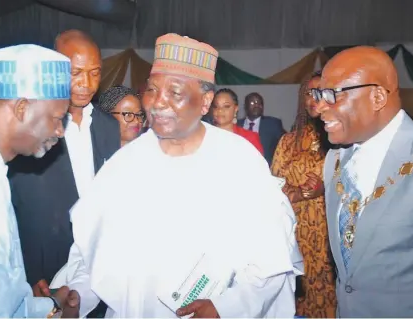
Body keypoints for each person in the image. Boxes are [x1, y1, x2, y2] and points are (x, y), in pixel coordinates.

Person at [63, 33, 302, 318]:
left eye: (174, 93)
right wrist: (76, 293)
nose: (157, 103)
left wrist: (226, 308)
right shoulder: (125, 165)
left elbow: (270, 260)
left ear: (205, 101)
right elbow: (93, 249)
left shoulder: (240, 162)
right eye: (152, 90)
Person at [0, 44, 80, 317]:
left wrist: (50, 305)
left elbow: (0, 293)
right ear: (22, 107)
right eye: (58, 119)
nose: (60, 132)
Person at [8, 29, 120, 300]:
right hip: (45, 266)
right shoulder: (30, 126)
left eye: (95, 72)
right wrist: (30, 273)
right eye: (76, 72)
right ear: (54, 71)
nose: (87, 82)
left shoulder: (109, 127)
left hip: (96, 262)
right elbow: (19, 206)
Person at [315, 46, 413, 317]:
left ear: (377, 97)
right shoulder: (334, 160)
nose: (318, 107)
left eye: (332, 95)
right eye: (319, 95)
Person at [272, 71, 337, 318]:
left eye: (320, 92)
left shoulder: (341, 140)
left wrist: (324, 188)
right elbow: (274, 187)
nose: (313, 99)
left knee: (331, 296)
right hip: (296, 234)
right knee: (299, 298)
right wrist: (298, 193)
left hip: (328, 235)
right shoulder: (288, 142)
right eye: (309, 92)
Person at [211, 88, 264, 155]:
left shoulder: (250, 138)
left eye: (226, 106)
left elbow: (258, 164)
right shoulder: (203, 136)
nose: (220, 110)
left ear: (236, 109)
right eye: (216, 106)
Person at [237, 92, 285, 164]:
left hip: (265, 169)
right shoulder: (236, 125)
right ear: (245, 106)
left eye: (260, 103)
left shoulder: (273, 124)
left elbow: (285, 145)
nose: (257, 105)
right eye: (253, 103)